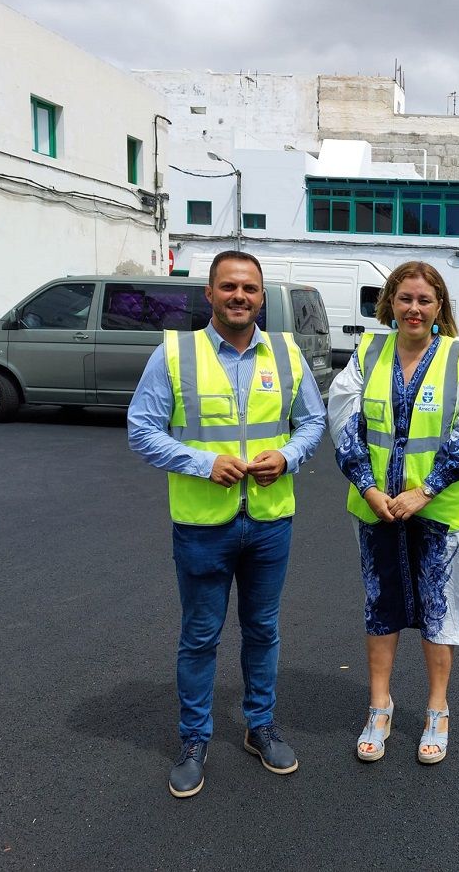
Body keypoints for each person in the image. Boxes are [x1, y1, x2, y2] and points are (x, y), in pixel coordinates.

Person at [127, 250, 326, 798]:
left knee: (263, 631)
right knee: (199, 637)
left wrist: (287, 457)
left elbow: (312, 422)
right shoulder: (174, 354)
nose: (240, 296)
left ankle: (259, 727)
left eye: (251, 289)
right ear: (210, 294)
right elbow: (141, 430)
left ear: (262, 297)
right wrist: (202, 462)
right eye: (229, 287)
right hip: (202, 527)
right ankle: (194, 739)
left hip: (268, 523)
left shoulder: (286, 353)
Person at [327, 261, 459, 765]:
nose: (414, 309)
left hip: (438, 511)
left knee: (436, 609)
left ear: (439, 305)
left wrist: (424, 491)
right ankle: (379, 706)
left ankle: (437, 710)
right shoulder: (368, 352)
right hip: (377, 508)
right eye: (405, 299)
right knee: (381, 605)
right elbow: (343, 420)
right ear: (390, 304)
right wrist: (368, 487)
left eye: (425, 300)